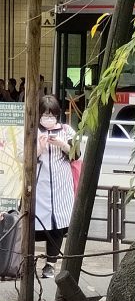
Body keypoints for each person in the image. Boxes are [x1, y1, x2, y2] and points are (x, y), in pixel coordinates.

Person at [35, 94, 77, 279]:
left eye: (52, 115)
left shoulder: (66, 130)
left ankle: (50, 264)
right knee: (34, 224)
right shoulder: (32, 131)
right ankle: (28, 261)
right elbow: (23, 156)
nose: (48, 118)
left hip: (61, 186)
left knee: (57, 225)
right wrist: (39, 149)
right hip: (39, 186)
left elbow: (77, 153)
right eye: (45, 114)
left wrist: (63, 145)